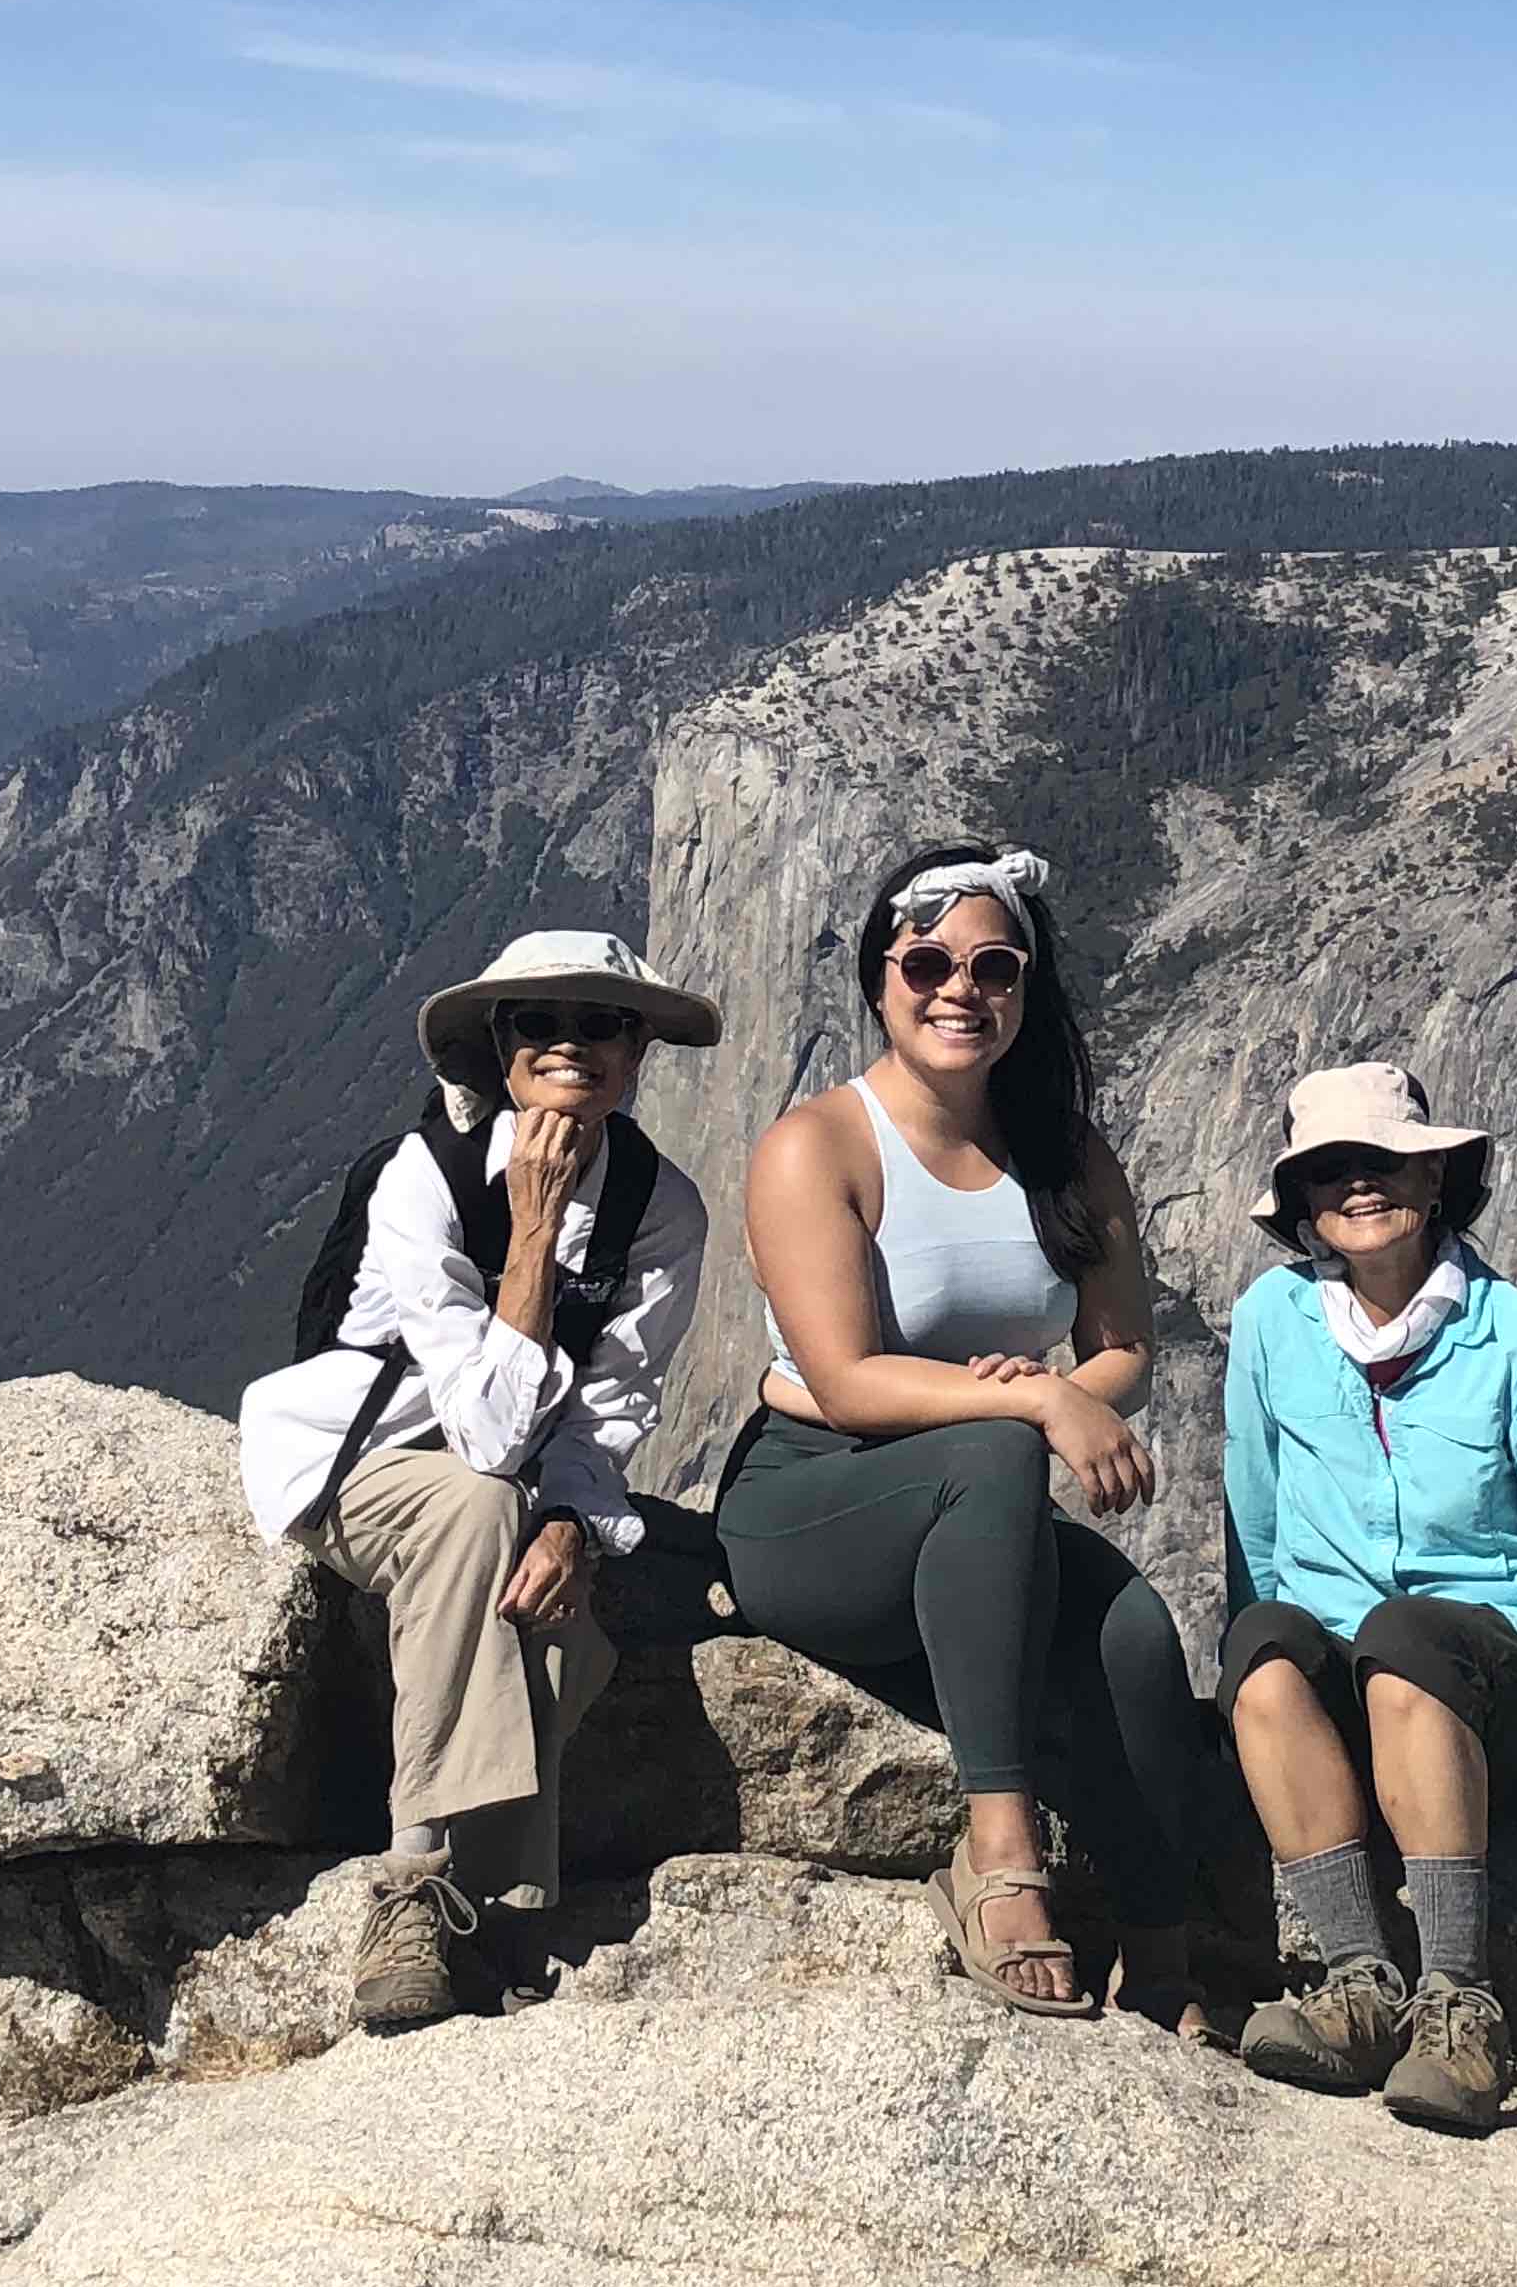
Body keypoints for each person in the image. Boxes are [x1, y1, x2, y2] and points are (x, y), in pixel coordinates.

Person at [717, 843, 1225, 2039]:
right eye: (928, 962)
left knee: (1138, 1639)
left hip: (969, 1505)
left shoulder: (1068, 1156)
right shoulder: (818, 1147)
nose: (961, 989)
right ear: (880, 979)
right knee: (997, 1454)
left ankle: (1162, 1949)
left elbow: (1125, 1351)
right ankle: (999, 1847)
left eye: (995, 966)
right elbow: (842, 1383)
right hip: (811, 1507)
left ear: (1027, 988)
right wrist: (1037, 1403)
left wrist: (1065, 1385)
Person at [236, 929, 717, 2029]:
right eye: (539, 1024)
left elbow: (613, 1403)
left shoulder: (662, 1207)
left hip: (515, 1476)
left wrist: (574, 1526)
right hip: (361, 1459)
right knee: (477, 1505)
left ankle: (479, 1914)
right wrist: (536, 1229)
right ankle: (424, 1883)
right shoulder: (425, 1180)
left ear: (638, 1050)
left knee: (548, 1591)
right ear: (498, 1050)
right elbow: (488, 1431)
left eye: (603, 1024)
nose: (572, 1046)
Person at [1216, 1061, 1517, 2135]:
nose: (1358, 1187)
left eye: (1385, 1163)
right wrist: (1256, 1703)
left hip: (1489, 1696)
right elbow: (1257, 1527)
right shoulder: (1274, 1322)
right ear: (1303, 1205)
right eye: (1330, 1171)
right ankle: (1358, 1987)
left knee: (1403, 1634)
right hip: (1357, 1697)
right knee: (1269, 1639)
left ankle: (1461, 2005)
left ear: (1436, 1185)